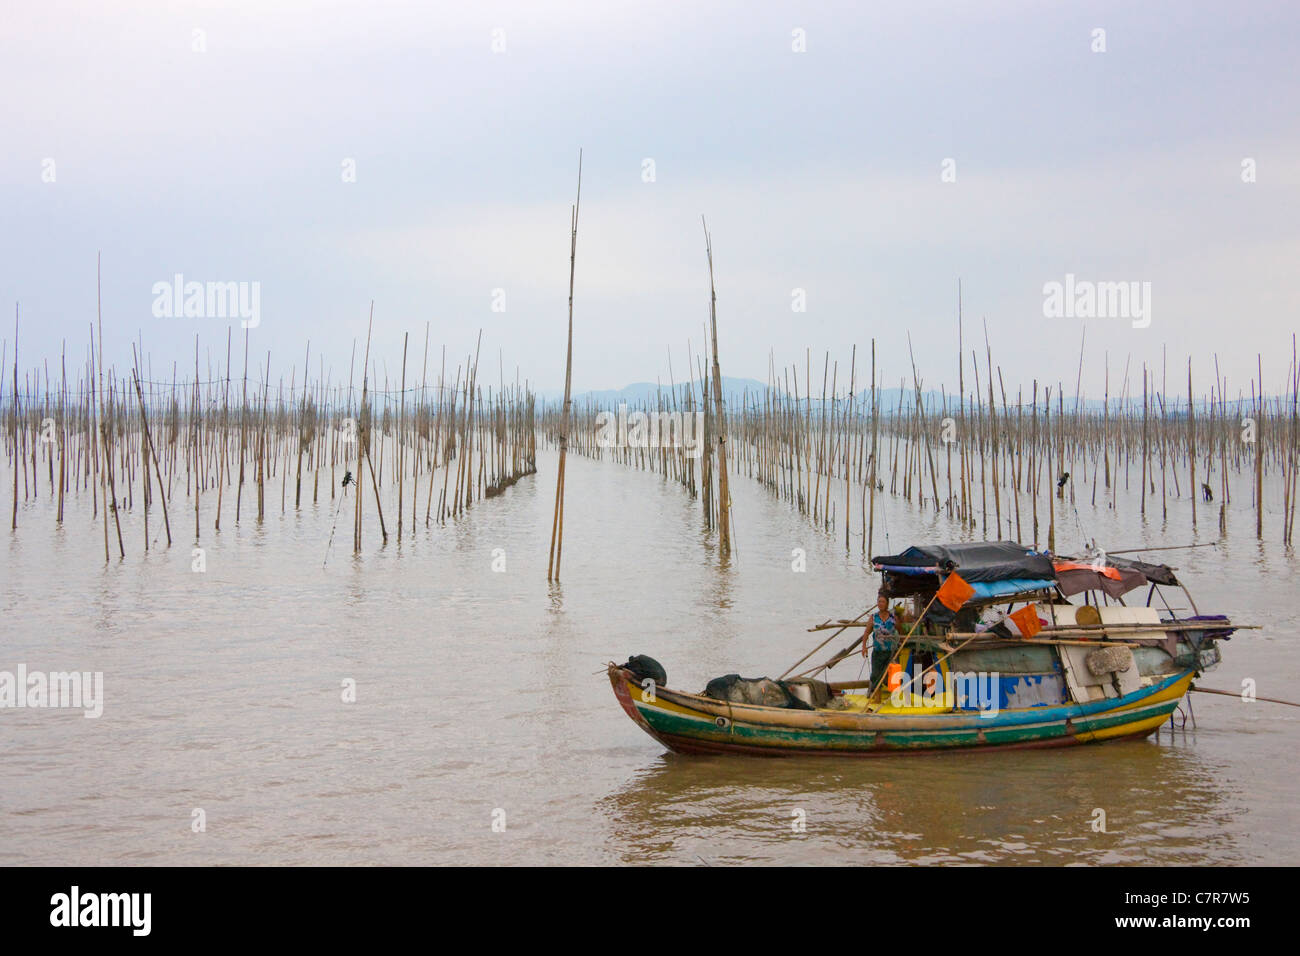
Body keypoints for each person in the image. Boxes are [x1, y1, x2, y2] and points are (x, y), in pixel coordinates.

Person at [869, 593, 898, 685]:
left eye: (883, 602)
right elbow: (866, 632)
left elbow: (900, 631)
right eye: (879, 602)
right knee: (875, 675)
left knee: (892, 674)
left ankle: (892, 695)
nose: (881, 604)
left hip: (891, 651)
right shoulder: (874, 617)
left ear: (887, 604)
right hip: (878, 651)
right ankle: (877, 696)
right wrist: (864, 647)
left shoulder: (893, 617)